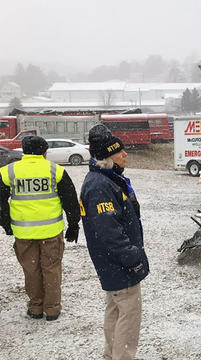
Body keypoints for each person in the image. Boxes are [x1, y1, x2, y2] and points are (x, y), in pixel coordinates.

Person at [80, 124, 149, 360]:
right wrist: (132, 258)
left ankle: (112, 355)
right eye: (119, 151)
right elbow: (109, 231)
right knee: (129, 316)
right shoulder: (100, 186)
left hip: (111, 262)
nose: (125, 154)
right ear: (108, 158)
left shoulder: (106, 179)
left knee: (115, 310)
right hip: (118, 263)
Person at [0, 135, 80, 321]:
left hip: (23, 232)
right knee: (51, 269)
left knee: (31, 269)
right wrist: (73, 224)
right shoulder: (55, 170)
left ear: (24, 151)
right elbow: (70, 200)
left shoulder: (8, 171)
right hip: (51, 231)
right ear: (44, 152)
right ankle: (52, 309)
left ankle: (35, 307)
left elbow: (0, 202)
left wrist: (6, 223)